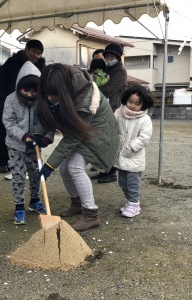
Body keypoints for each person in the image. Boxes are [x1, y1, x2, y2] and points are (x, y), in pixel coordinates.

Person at [35, 63, 117, 231]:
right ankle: (77, 203)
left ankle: (91, 214)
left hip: (98, 135)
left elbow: (73, 136)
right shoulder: (62, 85)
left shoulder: (85, 101)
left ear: (63, 90)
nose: (50, 98)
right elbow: (54, 115)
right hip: (84, 131)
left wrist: (50, 165)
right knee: (64, 168)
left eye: (54, 95)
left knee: (74, 167)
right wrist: (36, 133)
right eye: (47, 94)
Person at [2, 61, 53, 225]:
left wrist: (45, 137)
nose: (30, 94)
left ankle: (35, 200)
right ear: (18, 87)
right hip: (16, 145)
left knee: (36, 173)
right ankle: (19, 207)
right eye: (26, 90)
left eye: (34, 90)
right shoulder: (11, 100)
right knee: (18, 176)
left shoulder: (42, 101)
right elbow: (8, 122)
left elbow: (49, 121)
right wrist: (23, 137)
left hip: (35, 145)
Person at [0, 39, 46, 174]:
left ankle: (28, 163)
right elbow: (0, 87)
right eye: (34, 51)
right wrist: (8, 105)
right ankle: (2, 162)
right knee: (4, 134)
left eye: (39, 53)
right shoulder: (10, 64)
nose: (36, 56)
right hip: (7, 105)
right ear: (26, 49)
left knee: (31, 134)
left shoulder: (41, 67)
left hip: (31, 107)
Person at [114, 85, 154, 218]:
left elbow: (144, 138)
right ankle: (130, 201)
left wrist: (130, 149)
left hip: (134, 157)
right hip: (120, 155)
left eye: (137, 103)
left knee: (132, 183)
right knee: (122, 182)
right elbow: (112, 127)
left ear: (143, 104)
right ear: (126, 100)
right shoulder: (119, 113)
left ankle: (134, 204)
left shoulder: (145, 119)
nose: (132, 105)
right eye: (130, 102)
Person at [90, 43, 127, 183]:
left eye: (113, 56)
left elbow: (108, 90)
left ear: (118, 57)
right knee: (103, 141)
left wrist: (93, 90)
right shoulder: (107, 69)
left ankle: (111, 172)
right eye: (108, 55)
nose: (110, 57)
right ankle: (104, 169)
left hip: (114, 109)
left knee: (110, 141)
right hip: (105, 108)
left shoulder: (120, 71)